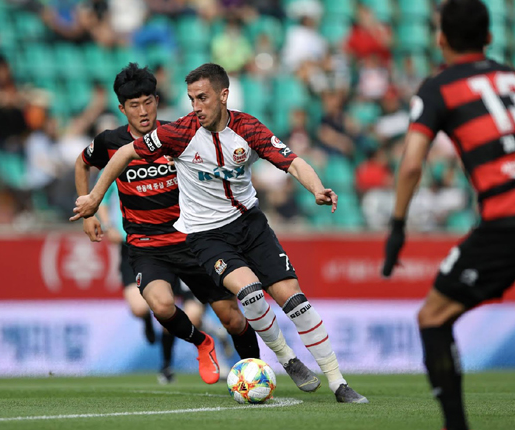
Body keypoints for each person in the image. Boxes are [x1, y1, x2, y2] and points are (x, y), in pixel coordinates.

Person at [71, 63, 368, 403]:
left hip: (247, 226)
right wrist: (93, 201)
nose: (195, 106)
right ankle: (281, 358)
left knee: (289, 299)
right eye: (191, 99)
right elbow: (117, 154)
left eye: (202, 98)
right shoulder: (176, 133)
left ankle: (337, 382)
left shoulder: (245, 128)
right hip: (194, 237)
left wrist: (317, 188)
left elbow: (293, 161)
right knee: (241, 294)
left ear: (223, 95)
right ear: (122, 109)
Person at [381, 1, 515, 429]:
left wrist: (396, 225)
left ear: (440, 39)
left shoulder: (438, 88)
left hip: (507, 217)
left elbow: (412, 164)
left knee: (433, 317)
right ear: (489, 38)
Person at [73, 63, 262, 385]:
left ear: (157, 101)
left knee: (231, 317)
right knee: (160, 306)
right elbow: (82, 163)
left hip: (193, 241)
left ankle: (257, 373)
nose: (143, 111)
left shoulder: (177, 135)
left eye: (149, 102)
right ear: (122, 108)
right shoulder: (109, 142)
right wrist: (89, 213)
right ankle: (202, 343)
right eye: (134, 105)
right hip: (147, 246)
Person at [97, 181, 205, 384]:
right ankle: (147, 320)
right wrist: (107, 225)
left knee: (176, 312)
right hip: (133, 244)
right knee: (140, 308)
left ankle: (166, 365)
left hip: (176, 244)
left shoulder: (171, 162)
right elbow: (100, 197)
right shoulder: (119, 162)